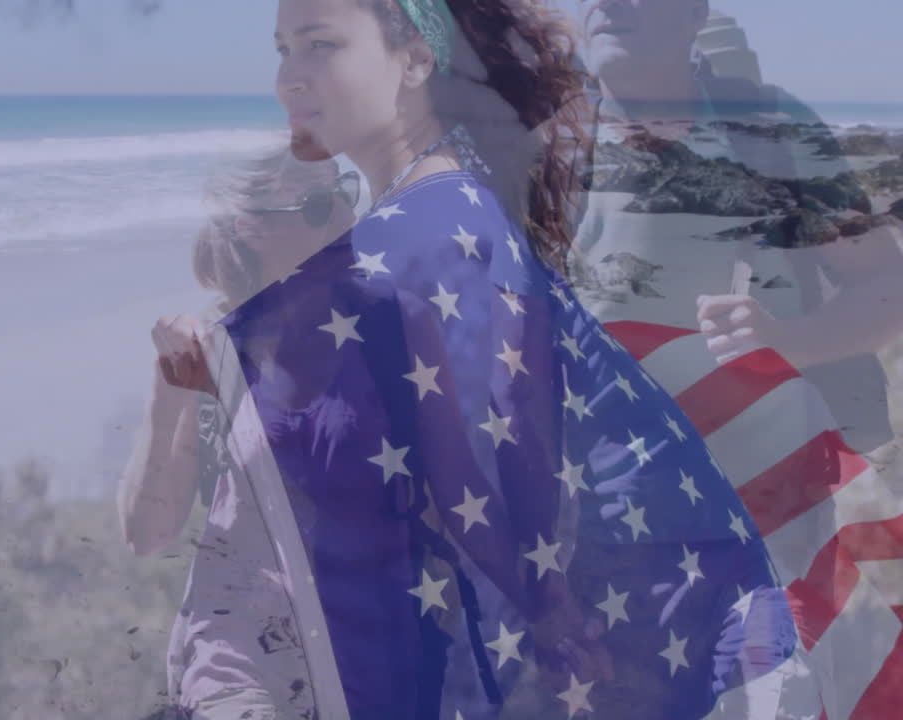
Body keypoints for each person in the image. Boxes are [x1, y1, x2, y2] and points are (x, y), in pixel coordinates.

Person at [172, 1, 799, 718]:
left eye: (321, 46)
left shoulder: (437, 221)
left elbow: (488, 448)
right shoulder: (436, 208)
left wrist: (237, 352)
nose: (290, 78)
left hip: (604, 606)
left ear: (414, 60)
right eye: (283, 50)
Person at [569, 1, 903, 715]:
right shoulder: (544, 134)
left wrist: (793, 341)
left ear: (692, 13)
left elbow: (885, 281)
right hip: (600, 515)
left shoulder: (765, 129)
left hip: (763, 508)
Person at [118, 146, 359, 719]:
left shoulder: (390, 338)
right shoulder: (213, 358)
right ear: (253, 230)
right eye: (320, 204)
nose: (348, 215)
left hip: (361, 658)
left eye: (346, 190)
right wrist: (172, 399)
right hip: (242, 666)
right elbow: (147, 534)